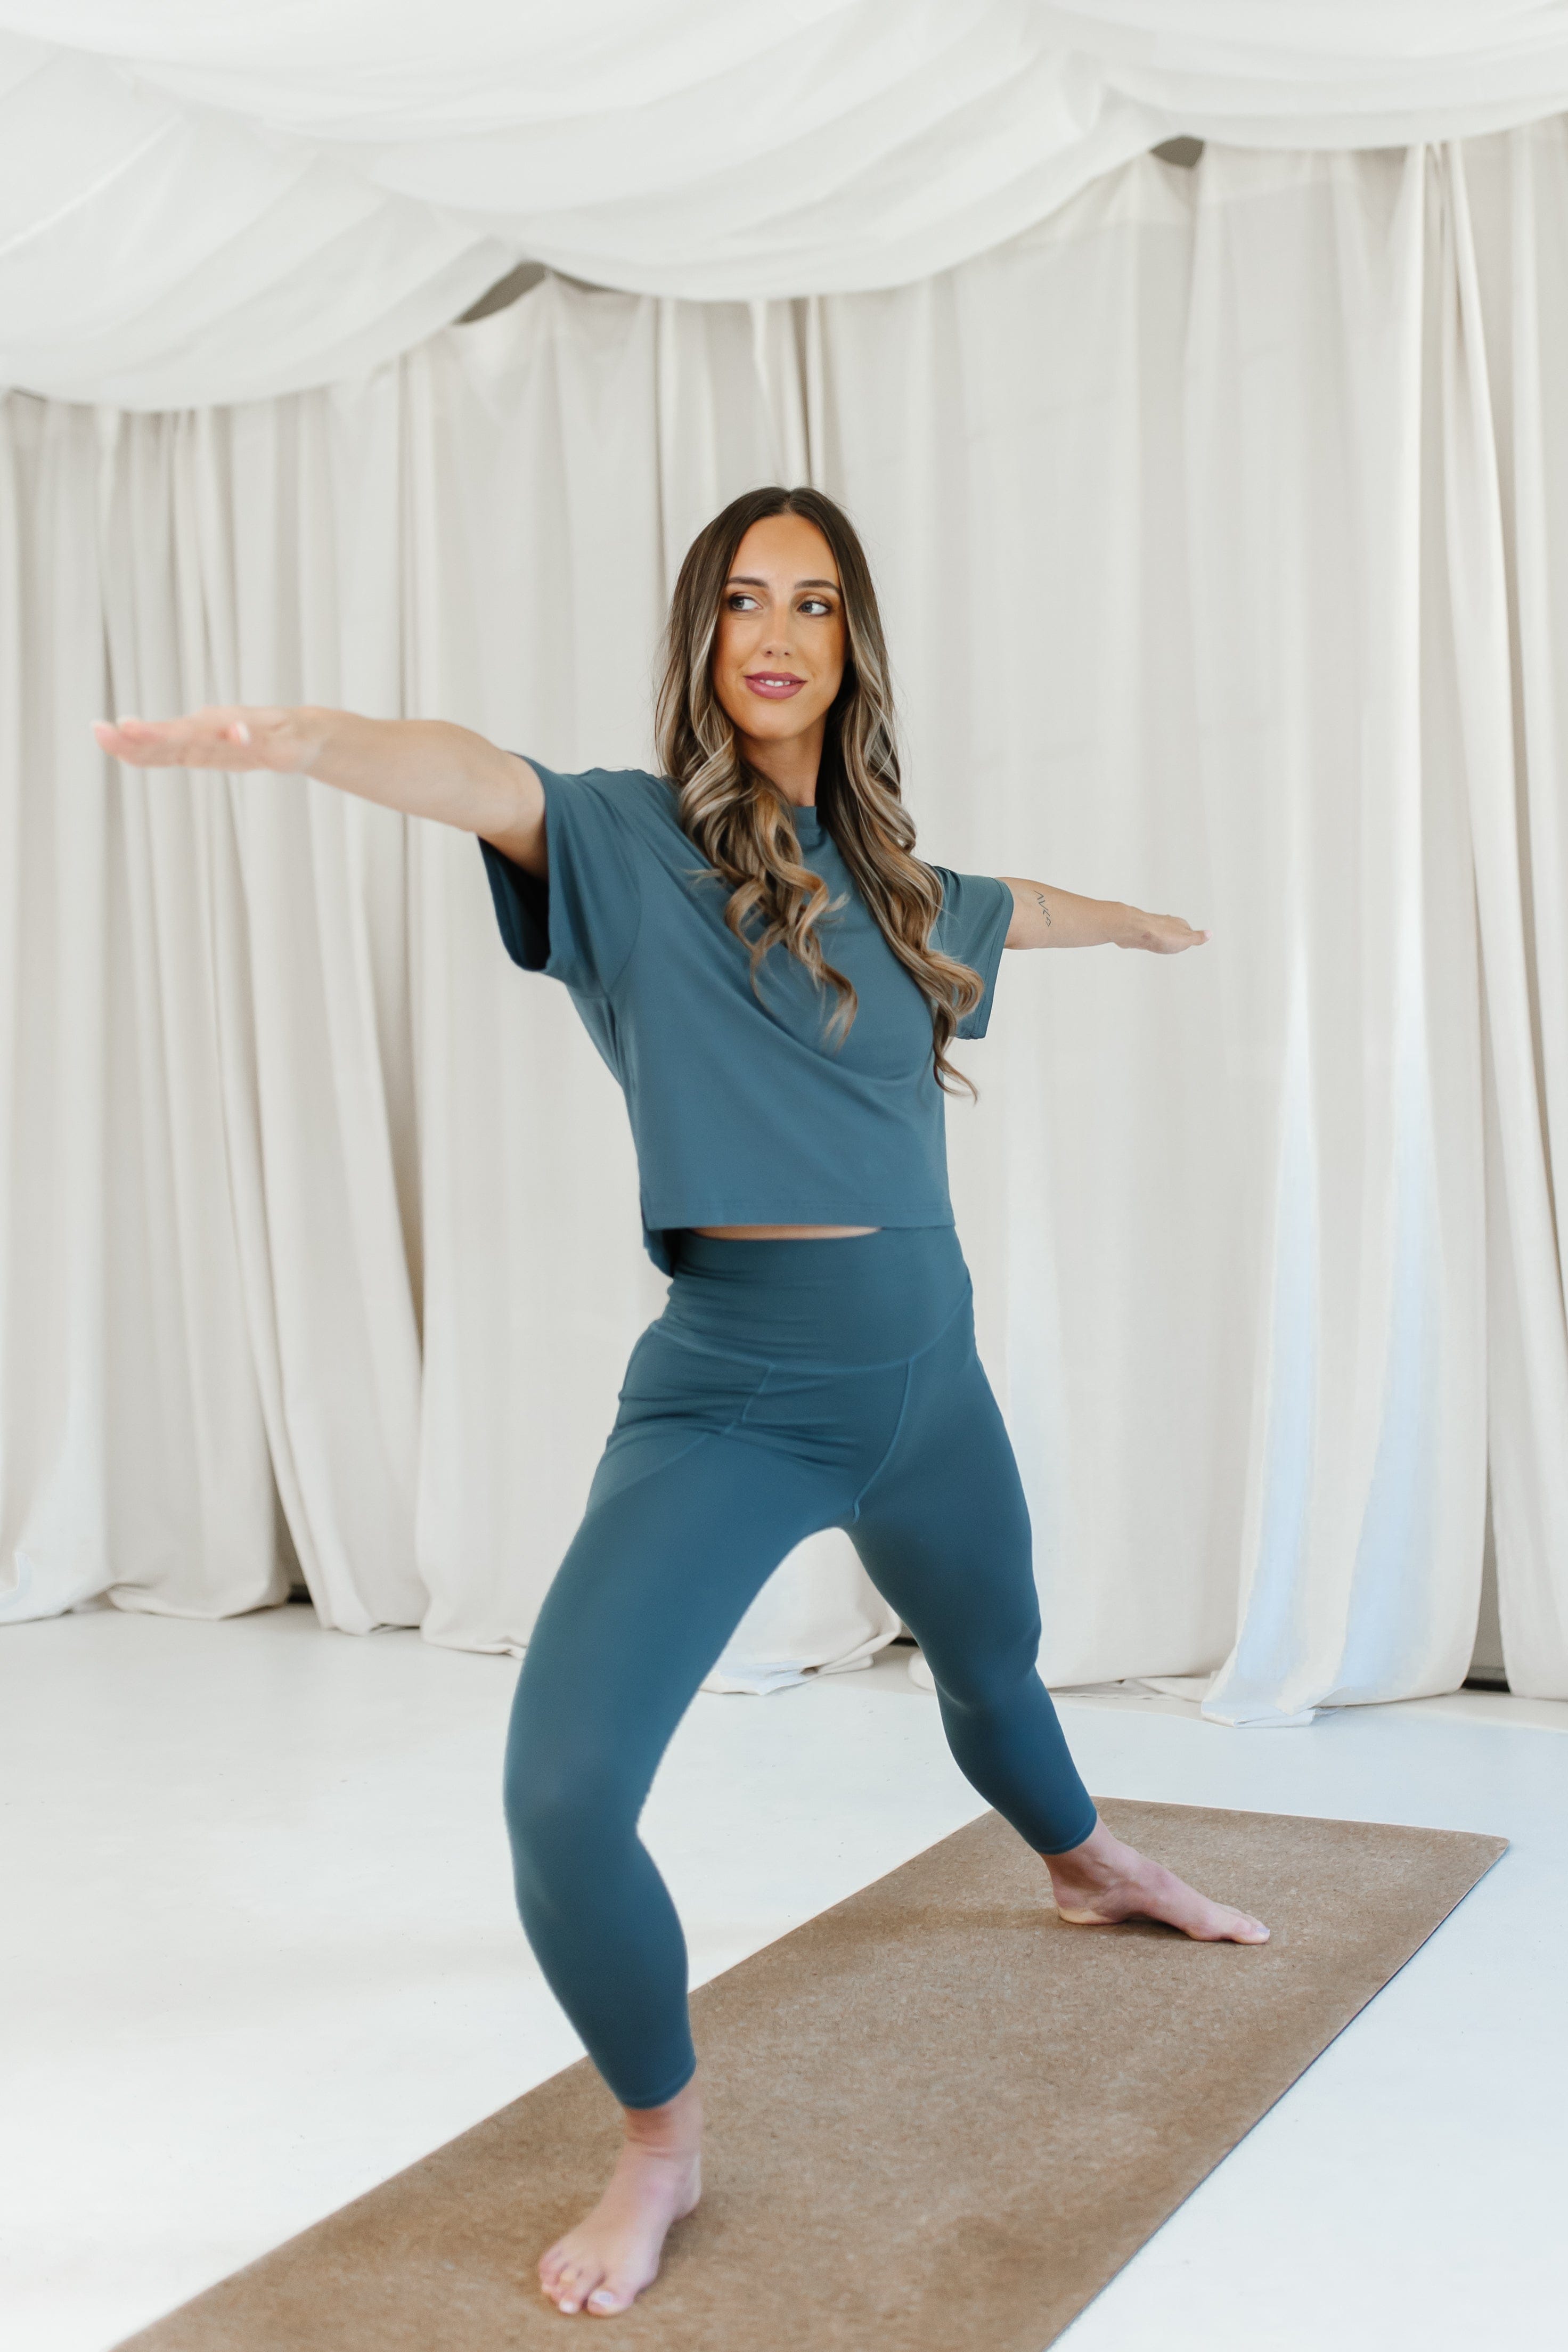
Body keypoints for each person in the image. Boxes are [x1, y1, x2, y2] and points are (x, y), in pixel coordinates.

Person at [94, 484, 1268, 2324]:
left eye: (811, 600)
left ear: (852, 644)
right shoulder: (623, 844)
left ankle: (1085, 1860)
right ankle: (661, 2146)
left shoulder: (902, 888)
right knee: (565, 1797)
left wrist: (1137, 923)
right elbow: (468, 772)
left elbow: (1019, 909)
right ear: (703, 639)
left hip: (931, 1374)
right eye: (742, 600)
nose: (776, 629)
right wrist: (308, 741)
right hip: (736, 1393)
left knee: (1000, 1663)